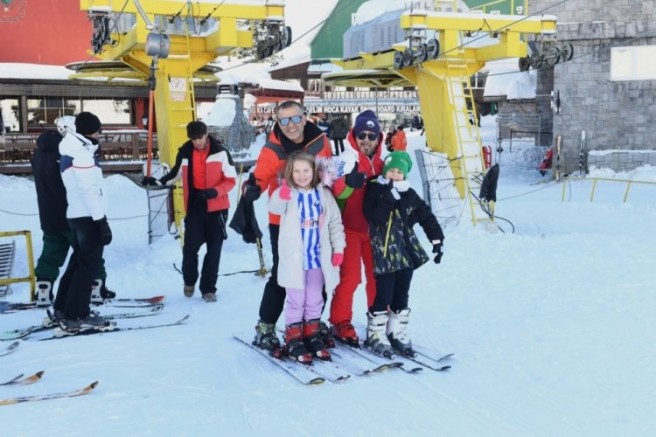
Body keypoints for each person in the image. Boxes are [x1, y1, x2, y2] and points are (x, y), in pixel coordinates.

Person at [241, 100, 333, 356]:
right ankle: (265, 327)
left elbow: (327, 176)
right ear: (277, 123)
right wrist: (252, 188)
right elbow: (259, 177)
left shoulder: (320, 141)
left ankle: (311, 323)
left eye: (294, 119)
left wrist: (340, 196)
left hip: (315, 218)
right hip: (284, 221)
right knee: (284, 275)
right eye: (283, 121)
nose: (290, 125)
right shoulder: (273, 148)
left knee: (318, 272)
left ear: (304, 118)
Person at [362, 151, 445, 357]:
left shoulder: (409, 194)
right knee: (384, 294)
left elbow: (426, 216)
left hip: (406, 253)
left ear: (405, 174)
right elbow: (374, 218)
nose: (395, 175)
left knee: (402, 294)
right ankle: (375, 333)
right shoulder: (375, 190)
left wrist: (437, 239)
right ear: (385, 171)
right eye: (391, 171)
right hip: (384, 253)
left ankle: (395, 331)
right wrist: (388, 198)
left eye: (399, 172)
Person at [142, 121, 236, 302]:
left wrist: (215, 191)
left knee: (214, 251)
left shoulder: (221, 153)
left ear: (206, 134)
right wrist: (157, 182)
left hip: (217, 207)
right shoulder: (185, 152)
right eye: (193, 139)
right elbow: (175, 174)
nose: (197, 142)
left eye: (200, 138)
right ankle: (189, 281)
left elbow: (231, 180)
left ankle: (208, 289)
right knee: (190, 248)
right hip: (195, 206)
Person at [268, 151, 345, 363]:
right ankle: (293, 337)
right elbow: (274, 207)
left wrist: (339, 249)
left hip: (317, 259)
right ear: (290, 173)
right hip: (295, 260)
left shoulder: (324, 195)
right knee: (296, 300)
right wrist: (281, 194)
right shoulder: (288, 193)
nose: (302, 175)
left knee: (314, 298)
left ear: (314, 171)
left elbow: (335, 223)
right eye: (297, 171)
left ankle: (311, 334)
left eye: (306, 170)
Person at [31, 116, 115, 309]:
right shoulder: (70, 152)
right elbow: (82, 186)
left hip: (48, 213)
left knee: (51, 253)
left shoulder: (39, 154)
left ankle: (44, 289)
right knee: (87, 256)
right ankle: (95, 288)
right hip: (75, 213)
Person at [328, 109, 385, 346]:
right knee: (350, 278)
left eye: (372, 136)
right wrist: (348, 182)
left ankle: (377, 317)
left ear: (379, 139)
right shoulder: (346, 159)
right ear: (354, 135)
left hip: (375, 232)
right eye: (362, 135)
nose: (366, 140)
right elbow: (336, 191)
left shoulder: (382, 163)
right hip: (350, 229)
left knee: (377, 277)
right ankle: (340, 321)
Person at [54, 111, 113, 331]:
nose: (99, 134)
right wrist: (101, 221)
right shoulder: (82, 155)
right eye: (98, 130)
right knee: (88, 267)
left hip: (77, 214)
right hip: (88, 216)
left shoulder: (73, 149)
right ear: (90, 131)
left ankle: (62, 308)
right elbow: (88, 190)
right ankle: (77, 314)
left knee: (78, 263)